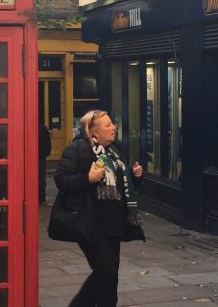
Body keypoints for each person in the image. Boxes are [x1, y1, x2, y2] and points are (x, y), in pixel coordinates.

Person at [54, 110, 145, 307]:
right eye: (108, 125)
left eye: (112, 124)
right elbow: (61, 180)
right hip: (92, 223)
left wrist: (135, 176)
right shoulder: (78, 149)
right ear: (93, 132)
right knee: (105, 273)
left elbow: (120, 187)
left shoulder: (113, 151)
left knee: (111, 277)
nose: (114, 128)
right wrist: (87, 179)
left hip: (114, 223)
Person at [38, 124, 52, 204]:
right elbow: (48, 145)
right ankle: (41, 198)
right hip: (41, 158)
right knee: (41, 179)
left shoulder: (25, 127)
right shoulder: (43, 129)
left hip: (27, 159)